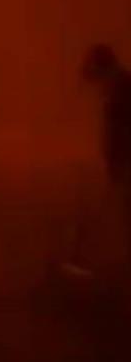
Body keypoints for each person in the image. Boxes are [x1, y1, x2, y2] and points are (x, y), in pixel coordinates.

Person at [80, 44, 131, 261]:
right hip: (120, 157)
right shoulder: (118, 84)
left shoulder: (121, 86)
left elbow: (120, 127)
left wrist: (116, 159)